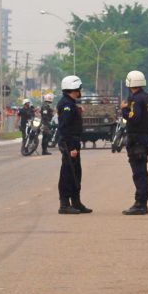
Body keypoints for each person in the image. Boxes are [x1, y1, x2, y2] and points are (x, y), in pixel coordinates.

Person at [121, 70, 148, 215]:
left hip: (136, 138)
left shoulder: (135, 99)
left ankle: (140, 203)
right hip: (144, 138)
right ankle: (142, 200)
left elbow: (134, 118)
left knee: (138, 172)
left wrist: (124, 110)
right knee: (142, 170)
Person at [56, 75, 90, 214]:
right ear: (73, 88)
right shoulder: (66, 105)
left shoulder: (70, 103)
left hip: (74, 141)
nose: (80, 91)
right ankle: (64, 205)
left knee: (76, 173)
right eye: (78, 89)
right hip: (69, 142)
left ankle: (76, 202)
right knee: (67, 174)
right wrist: (71, 147)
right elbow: (65, 128)